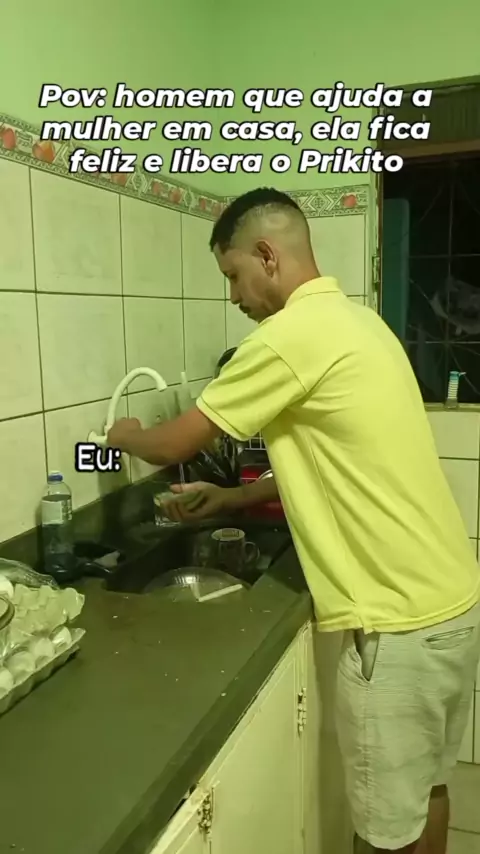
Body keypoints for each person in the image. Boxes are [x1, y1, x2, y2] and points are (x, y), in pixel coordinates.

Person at [108, 187, 480, 854]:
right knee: (429, 791)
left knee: (385, 835)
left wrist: (123, 433)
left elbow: (169, 446)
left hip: (395, 626)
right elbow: (339, 461)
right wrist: (231, 499)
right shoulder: (360, 322)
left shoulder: (287, 338)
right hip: (452, 605)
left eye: (233, 275)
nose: (233, 296)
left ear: (266, 255)